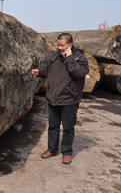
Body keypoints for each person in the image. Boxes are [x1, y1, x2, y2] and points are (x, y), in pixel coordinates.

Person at [32, 33, 89, 164]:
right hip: (53, 98)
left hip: (70, 99)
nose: (59, 47)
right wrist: (39, 72)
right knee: (53, 126)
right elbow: (46, 70)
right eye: (58, 44)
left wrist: (69, 58)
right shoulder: (53, 57)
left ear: (70, 44)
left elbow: (80, 73)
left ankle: (67, 152)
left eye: (62, 45)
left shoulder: (80, 58)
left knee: (68, 127)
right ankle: (52, 149)